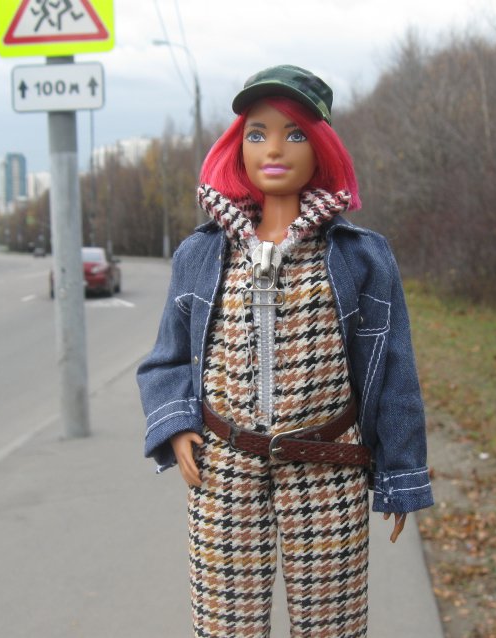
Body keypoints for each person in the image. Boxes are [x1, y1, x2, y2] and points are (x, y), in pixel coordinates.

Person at [137, 64, 433, 638]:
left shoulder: (361, 257)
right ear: (238, 147)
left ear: (321, 147)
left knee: (331, 625)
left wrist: (402, 473)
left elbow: (395, 369)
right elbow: (166, 357)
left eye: (295, 133)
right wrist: (176, 425)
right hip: (224, 466)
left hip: (329, 464)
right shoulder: (200, 254)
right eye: (257, 133)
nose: (274, 148)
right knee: (226, 625)